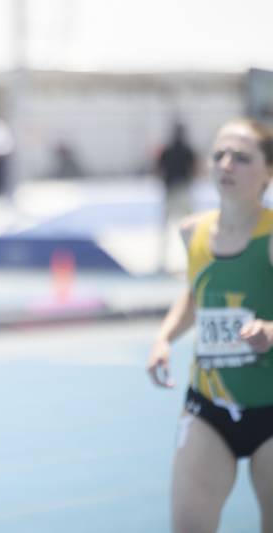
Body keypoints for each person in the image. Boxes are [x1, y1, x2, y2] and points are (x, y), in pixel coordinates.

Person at [147, 118, 273, 533]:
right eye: (219, 154)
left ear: (268, 171)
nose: (226, 165)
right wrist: (164, 338)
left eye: (241, 157)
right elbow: (195, 295)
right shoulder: (193, 232)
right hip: (208, 407)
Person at [156, 122, 197, 271]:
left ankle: (162, 262)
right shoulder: (188, 150)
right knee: (189, 227)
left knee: (166, 227)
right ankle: (193, 258)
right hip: (183, 190)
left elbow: (159, 169)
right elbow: (195, 170)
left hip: (171, 190)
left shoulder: (167, 150)